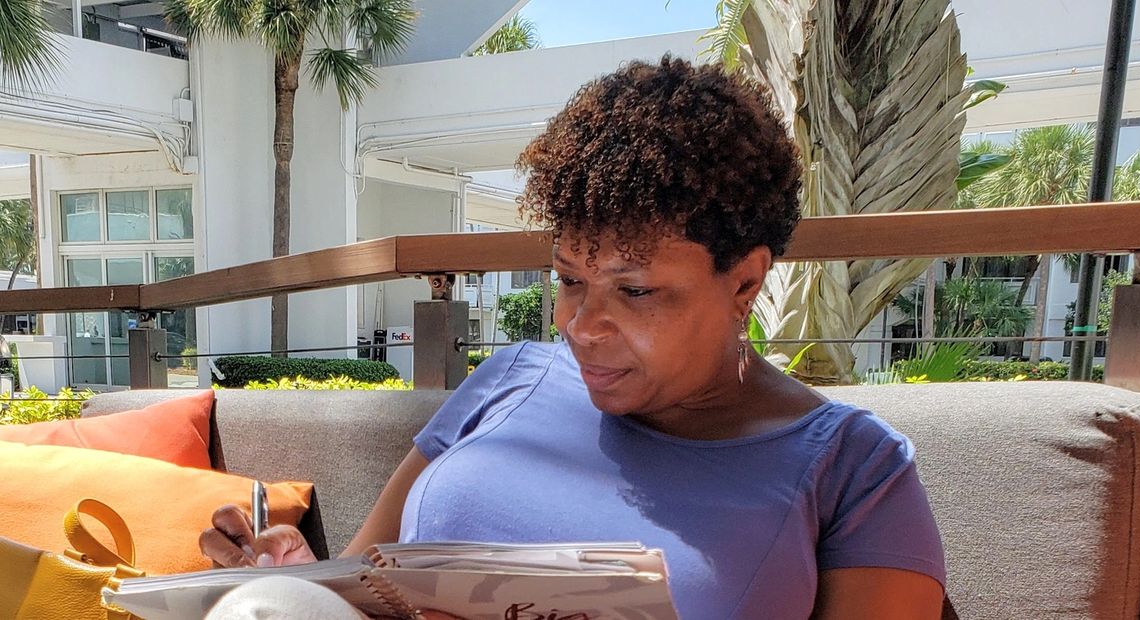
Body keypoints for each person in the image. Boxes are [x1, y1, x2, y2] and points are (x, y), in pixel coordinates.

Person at [201, 56, 946, 619]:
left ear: (745, 281)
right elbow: (370, 583)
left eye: (636, 291)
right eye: (567, 281)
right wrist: (305, 576)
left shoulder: (854, 471)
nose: (582, 327)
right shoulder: (512, 378)